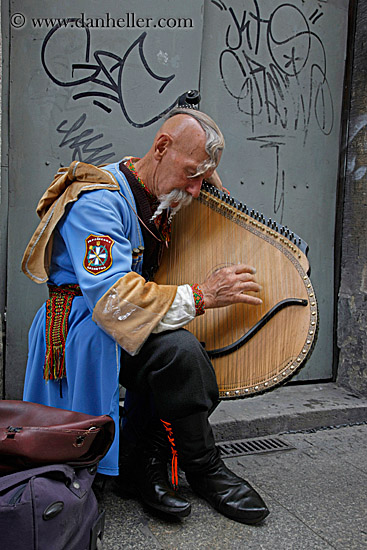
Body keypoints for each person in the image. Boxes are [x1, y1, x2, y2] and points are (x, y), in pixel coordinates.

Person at [22, 107, 269, 525]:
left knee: (185, 351)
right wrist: (204, 295)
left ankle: (151, 465)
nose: (194, 189)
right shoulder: (97, 200)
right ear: (161, 147)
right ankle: (188, 468)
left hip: (127, 319)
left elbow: (185, 193)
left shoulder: (164, 191)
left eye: (201, 179)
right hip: (83, 326)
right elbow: (112, 296)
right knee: (180, 351)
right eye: (191, 174)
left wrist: (205, 191)